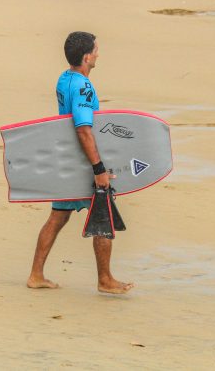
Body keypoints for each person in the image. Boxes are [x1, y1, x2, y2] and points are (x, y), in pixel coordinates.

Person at [26, 31, 135, 294]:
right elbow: (83, 129)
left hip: (68, 161)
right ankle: (105, 280)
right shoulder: (84, 87)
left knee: (57, 218)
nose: (98, 53)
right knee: (104, 215)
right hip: (82, 164)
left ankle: (36, 274)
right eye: (96, 50)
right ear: (87, 57)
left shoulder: (65, 78)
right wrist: (99, 169)